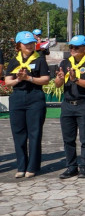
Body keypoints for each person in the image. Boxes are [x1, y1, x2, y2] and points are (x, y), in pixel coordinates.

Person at [4, 31, 50, 178]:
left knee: (34, 133)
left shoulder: (40, 59)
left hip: (34, 97)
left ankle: (33, 167)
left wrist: (29, 78)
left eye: (31, 43)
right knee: (18, 133)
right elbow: (7, 81)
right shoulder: (14, 61)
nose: (29, 46)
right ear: (19, 45)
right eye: (25, 44)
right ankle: (21, 166)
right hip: (17, 97)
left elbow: (45, 79)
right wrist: (19, 79)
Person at [53, 35, 85, 179]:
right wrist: (59, 79)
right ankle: (71, 167)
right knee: (68, 139)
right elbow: (57, 85)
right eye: (71, 46)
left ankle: (84, 167)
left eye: (76, 47)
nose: (72, 49)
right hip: (67, 104)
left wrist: (75, 79)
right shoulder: (65, 62)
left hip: (83, 104)